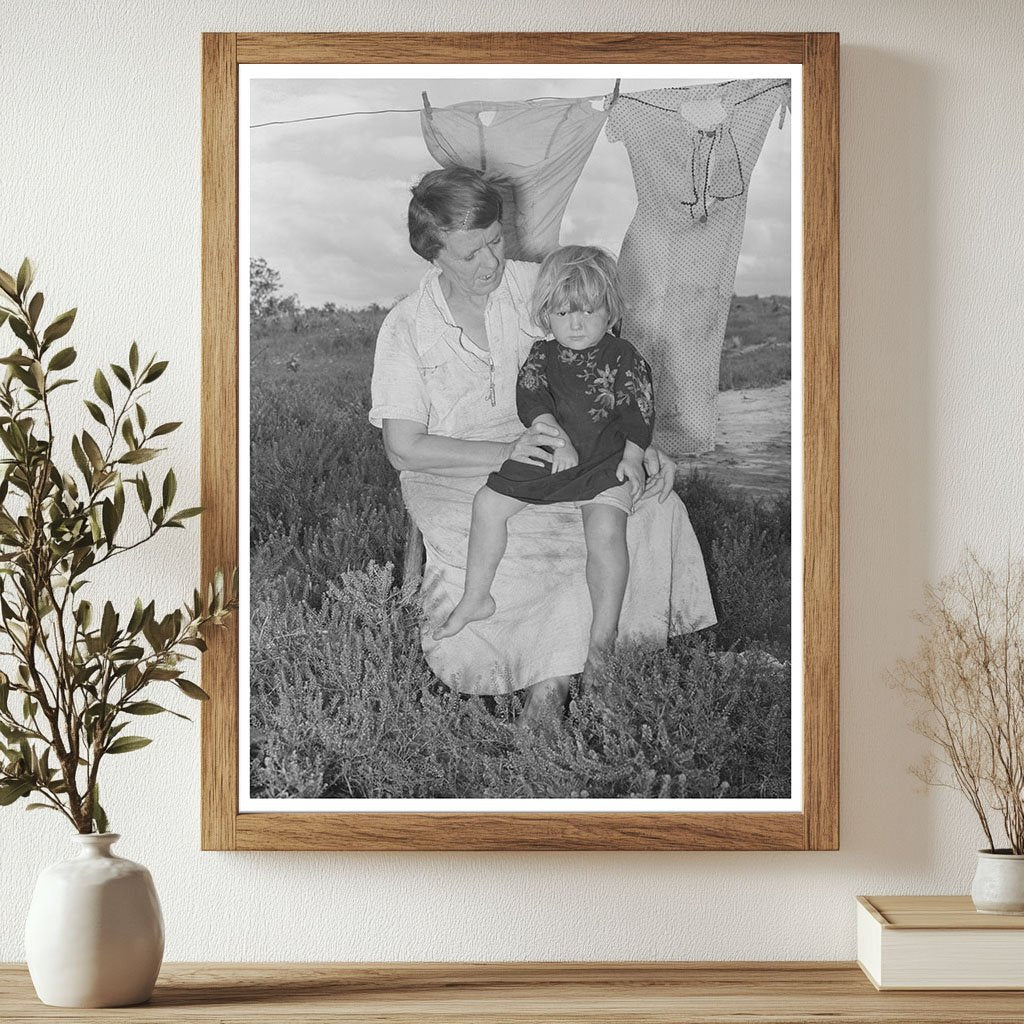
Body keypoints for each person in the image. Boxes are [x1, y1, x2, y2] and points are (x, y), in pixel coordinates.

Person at [369, 166, 716, 727]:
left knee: (653, 507)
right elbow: (404, 449)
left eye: (496, 242)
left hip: (571, 447)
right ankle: (546, 682)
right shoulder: (406, 328)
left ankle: (586, 664)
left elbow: (608, 358)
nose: (490, 264)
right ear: (431, 255)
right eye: (469, 255)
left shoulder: (539, 283)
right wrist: (507, 451)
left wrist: (636, 443)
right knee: (516, 543)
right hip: (451, 469)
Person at [435, 245, 654, 687]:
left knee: (606, 533)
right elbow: (531, 398)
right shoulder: (542, 354)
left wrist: (633, 455)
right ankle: (477, 597)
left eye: (589, 312)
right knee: (488, 503)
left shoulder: (624, 356)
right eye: (562, 312)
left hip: (604, 460)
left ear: (610, 312)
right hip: (551, 454)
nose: (575, 324)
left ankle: (601, 639)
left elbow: (639, 408)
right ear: (545, 313)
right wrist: (553, 435)